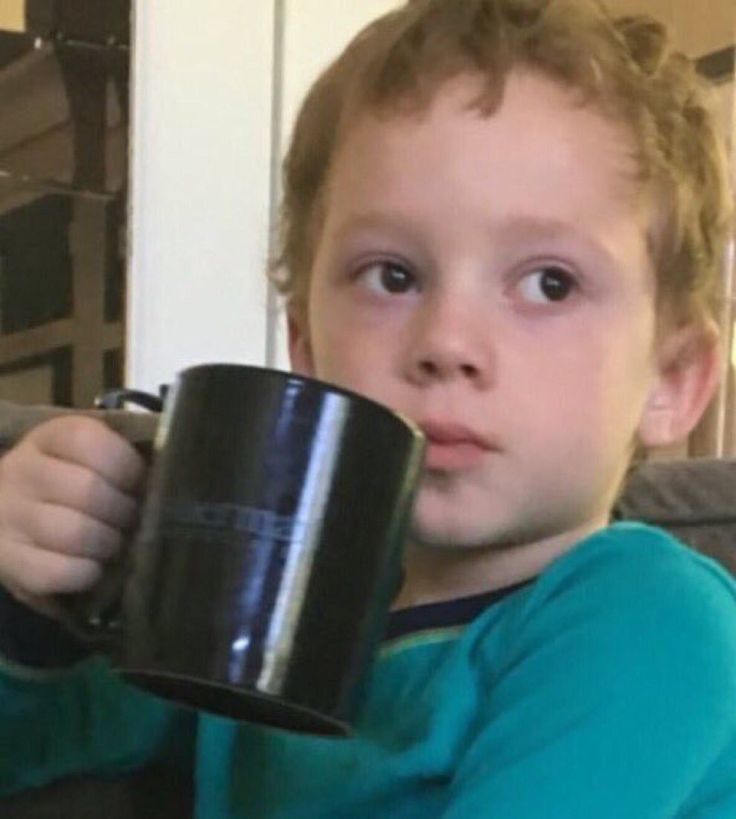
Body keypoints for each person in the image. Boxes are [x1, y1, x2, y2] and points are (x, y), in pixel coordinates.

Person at [1, 0, 736, 815]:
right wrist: (28, 611)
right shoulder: (271, 594)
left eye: (548, 283)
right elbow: (31, 755)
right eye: (392, 275)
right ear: (308, 344)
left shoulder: (649, 618)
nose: (446, 340)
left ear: (673, 380)